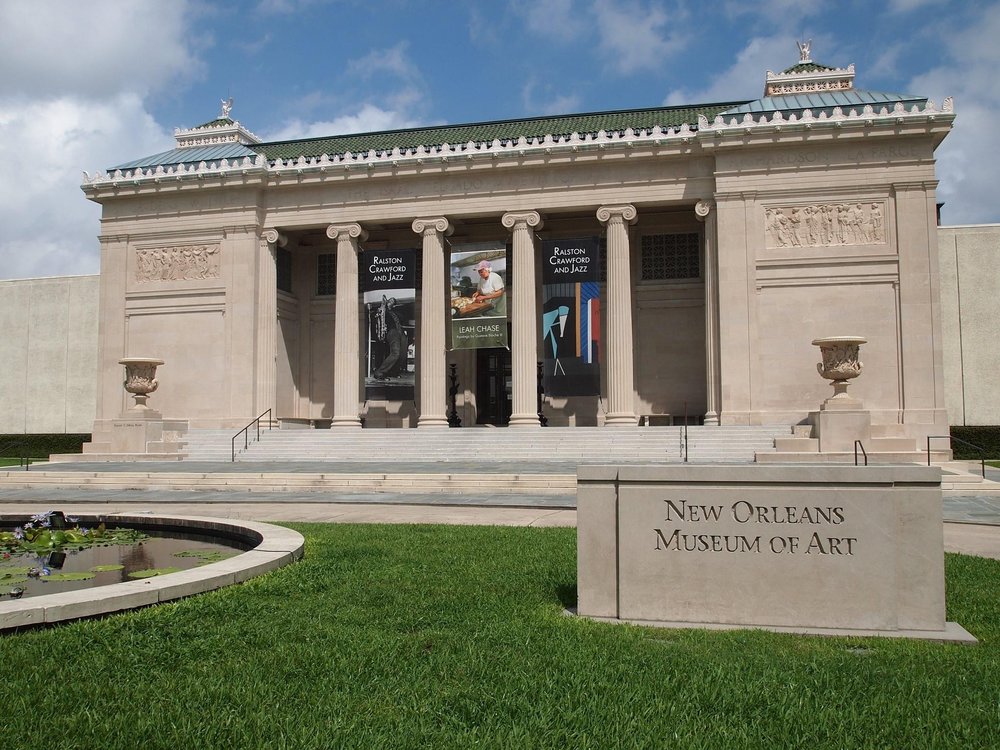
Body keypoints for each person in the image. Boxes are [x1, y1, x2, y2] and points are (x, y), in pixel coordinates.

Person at [372, 296, 405, 380]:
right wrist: (382, 306)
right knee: (395, 353)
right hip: (392, 332)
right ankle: (379, 372)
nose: (391, 301)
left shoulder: (395, 313)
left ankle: (392, 372)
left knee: (400, 354)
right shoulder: (383, 310)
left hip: (400, 332)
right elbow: (377, 315)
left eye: (393, 301)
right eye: (390, 300)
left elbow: (401, 319)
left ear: (394, 305)